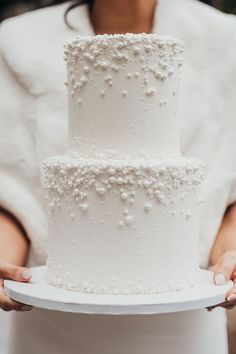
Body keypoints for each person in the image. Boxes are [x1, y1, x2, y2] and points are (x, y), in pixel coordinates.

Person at [0, 0, 236, 353]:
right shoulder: (18, 42)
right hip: (47, 317)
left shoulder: (225, 39)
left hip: (181, 319)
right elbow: (13, 192)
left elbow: (227, 188)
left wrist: (230, 258)